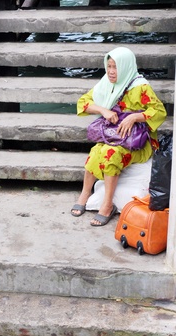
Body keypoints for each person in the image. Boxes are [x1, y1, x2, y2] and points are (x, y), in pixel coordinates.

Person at [71, 46, 167, 226]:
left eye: (116, 67)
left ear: (126, 67)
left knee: (110, 154)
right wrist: (103, 110)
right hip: (113, 135)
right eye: (109, 66)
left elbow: (159, 111)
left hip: (138, 141)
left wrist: (134, 117)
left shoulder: (141, 87)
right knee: (95, 152)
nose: (111, 71)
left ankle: (107, 205)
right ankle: (85, 193)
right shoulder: (106, 84)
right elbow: (83, 103)